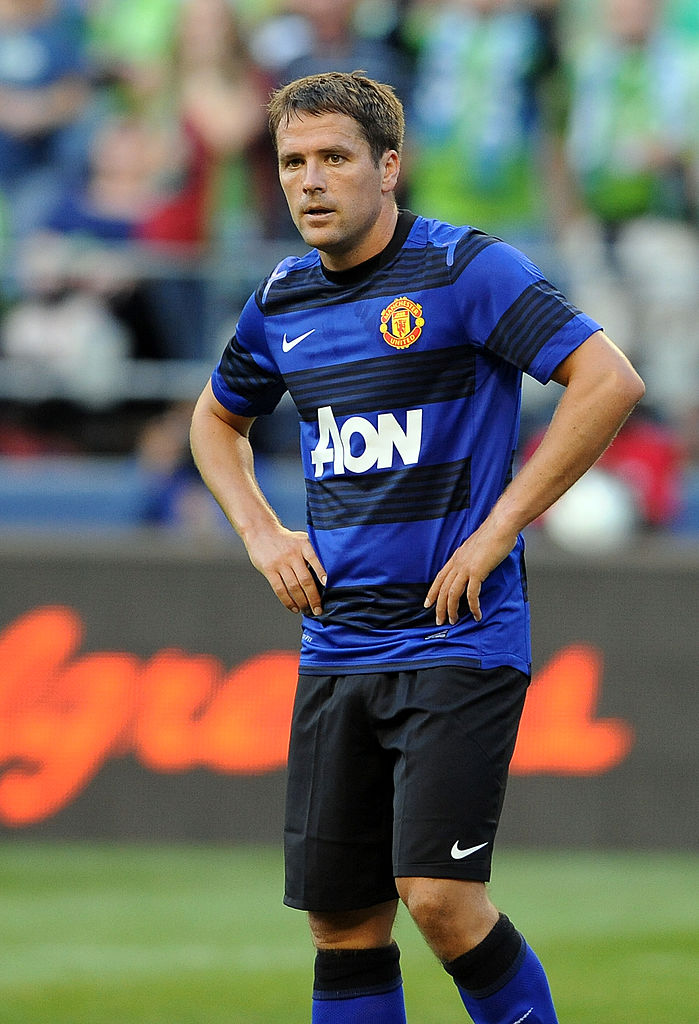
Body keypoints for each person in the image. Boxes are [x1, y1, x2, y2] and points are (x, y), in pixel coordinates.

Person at [189, 71, 644, 1024]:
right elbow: (215, 420)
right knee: (341, 922)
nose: (310, 181)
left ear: (388, 166)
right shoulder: (280, 299)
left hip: (455, 637)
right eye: (292, 163)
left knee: (437, 898)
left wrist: (499, 527)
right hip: (335, 644)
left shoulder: (464, 269)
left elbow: (605, 379)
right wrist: (262, 533)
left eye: (334, 158)